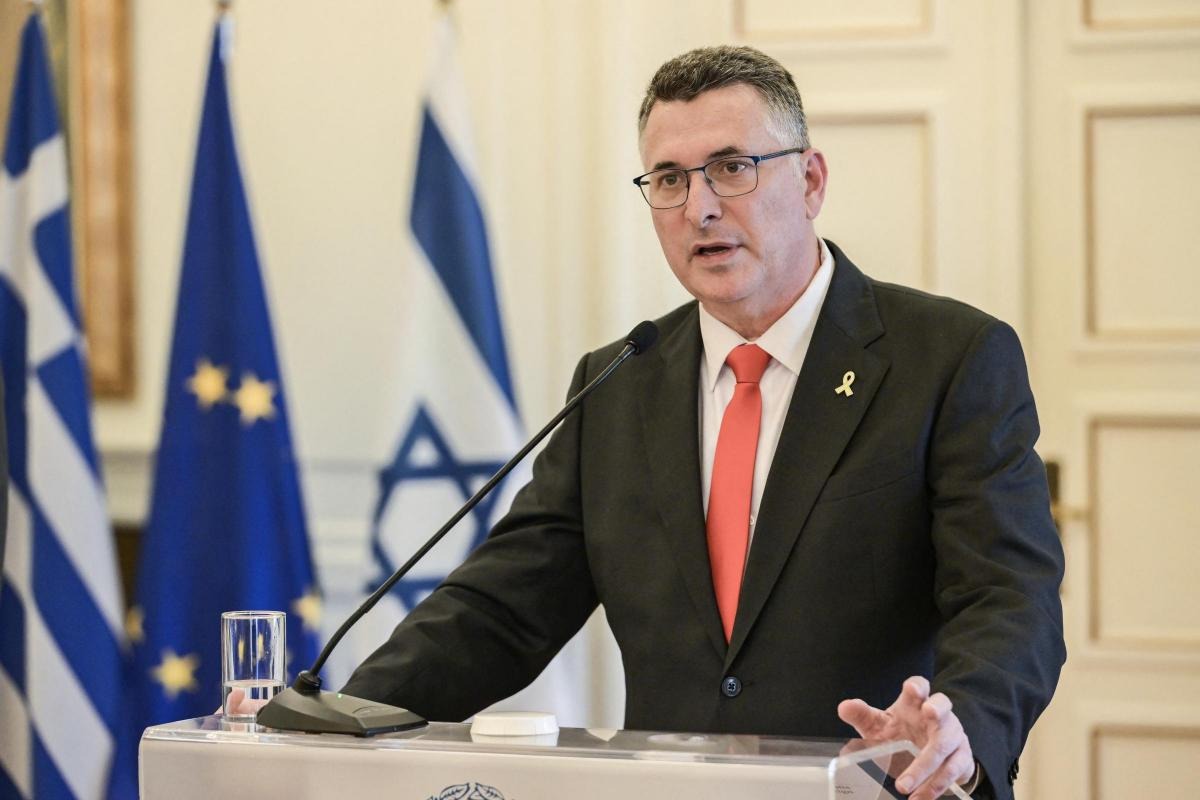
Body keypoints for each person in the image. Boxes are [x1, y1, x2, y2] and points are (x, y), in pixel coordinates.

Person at [343, 46, 1065, 800]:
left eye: (731, 167)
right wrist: (341, 718)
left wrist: (961, 727)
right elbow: (499, 611)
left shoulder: (949, 359)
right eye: (669, 179)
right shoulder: (617, 384)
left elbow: (1010, 598)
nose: (700, 208)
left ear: (811, 181)